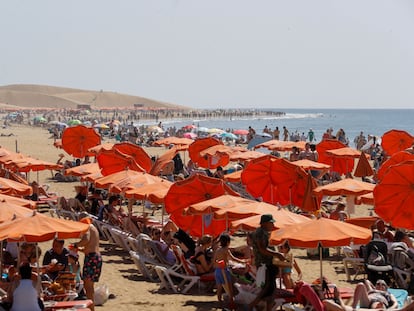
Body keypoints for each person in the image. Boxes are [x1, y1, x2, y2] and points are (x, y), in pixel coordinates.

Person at [248, 214, 287, 311]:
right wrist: (277, 254)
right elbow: (262, 249)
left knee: (270, 290)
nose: (272, 225)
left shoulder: (261, 232)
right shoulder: (261, 233)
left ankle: (265, 308)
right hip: (265, 264)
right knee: (267, 288)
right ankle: (250, 306)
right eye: (271, 223)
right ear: (265, 223)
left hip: (265, 263)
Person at [72, 214, 103, 311]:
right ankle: (91, 307)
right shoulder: (94, 228)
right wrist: (79, 249)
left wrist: (76, 244)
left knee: (88, 286)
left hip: (91, 258)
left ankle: (91, 308)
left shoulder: (88, 227)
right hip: (96, 257)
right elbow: (90, 246)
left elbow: (86, 240)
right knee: (90, 286)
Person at [213, 233, 247, 310]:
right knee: (229, 288)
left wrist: (218, 264)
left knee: (219, 288)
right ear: (228, 242)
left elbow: (214, 260)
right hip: (224, 270)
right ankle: (231, 303)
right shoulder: (226, 250)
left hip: (217, 270)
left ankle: (219, 302)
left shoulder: (218, 250)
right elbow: (233, 258)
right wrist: (243, 261)